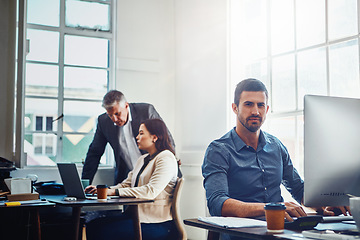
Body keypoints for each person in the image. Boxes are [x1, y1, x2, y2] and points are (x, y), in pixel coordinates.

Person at [202, 78, 349, 240]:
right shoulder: (218, 150)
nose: (255, 112)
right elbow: (217, 202)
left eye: (261, 105)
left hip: (281, 233)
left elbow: (298, 189)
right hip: (240, 235)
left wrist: (326, 202)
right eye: (248, 104)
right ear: (235, 108)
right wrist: (272, 208)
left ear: (267, 109)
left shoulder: (276, 146)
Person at [85, 118, 178, 240]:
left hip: (157, 223)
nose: (137, 137)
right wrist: (104, 190)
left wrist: (113, 192)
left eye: (141, 133)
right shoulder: (143, 159)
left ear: (154, 137)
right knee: (93, 225)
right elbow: (126, 184)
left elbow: (150, 191)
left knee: (102, 231)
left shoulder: (166, 158)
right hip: (137, 217)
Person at [82, 90, 175, 185]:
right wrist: (84, 183)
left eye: (117, 114)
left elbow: (166, 138)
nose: (114, 119)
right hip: (128, 180)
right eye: (110, 115)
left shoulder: (146, 111)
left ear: (126, 106)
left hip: (155, 175)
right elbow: (94, 153)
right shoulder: (103, 122)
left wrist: (169, 165)